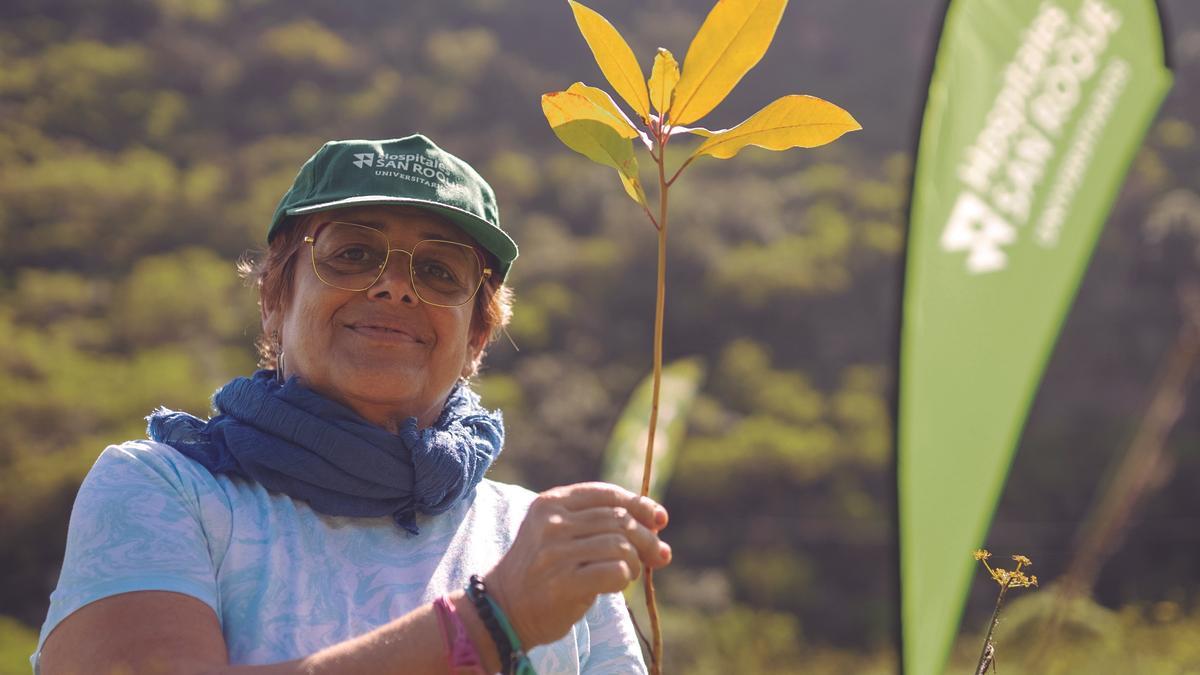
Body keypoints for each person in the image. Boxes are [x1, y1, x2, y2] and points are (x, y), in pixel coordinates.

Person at [33, 134, 671, 674]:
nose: (394, 287)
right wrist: (491, 623)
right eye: (353, 254)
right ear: (275, 299)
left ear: (477, 333)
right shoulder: (166, 491)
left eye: (440, 271)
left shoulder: (540, 539)